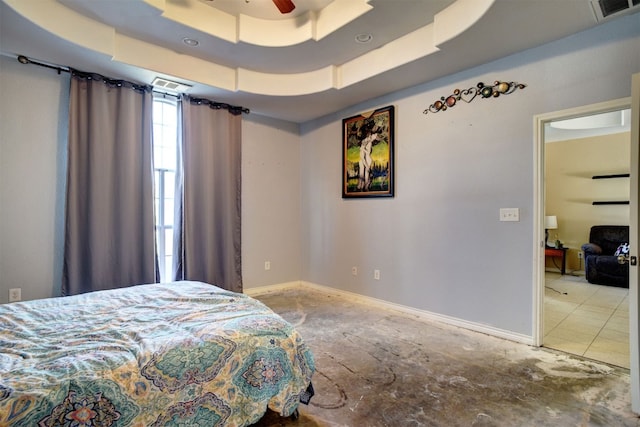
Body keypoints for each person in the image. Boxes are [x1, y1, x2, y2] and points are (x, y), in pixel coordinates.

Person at [357, 119, 378, 191]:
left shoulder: (367, 142)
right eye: (371, 135)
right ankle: (364, 186)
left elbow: (363, 151)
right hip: (365, 158)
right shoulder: (366, 142)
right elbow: (362, 153)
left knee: (364, 172)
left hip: (365, 157)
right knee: (364, 172)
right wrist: (366, 152)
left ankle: (363, 186)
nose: (374, 136)